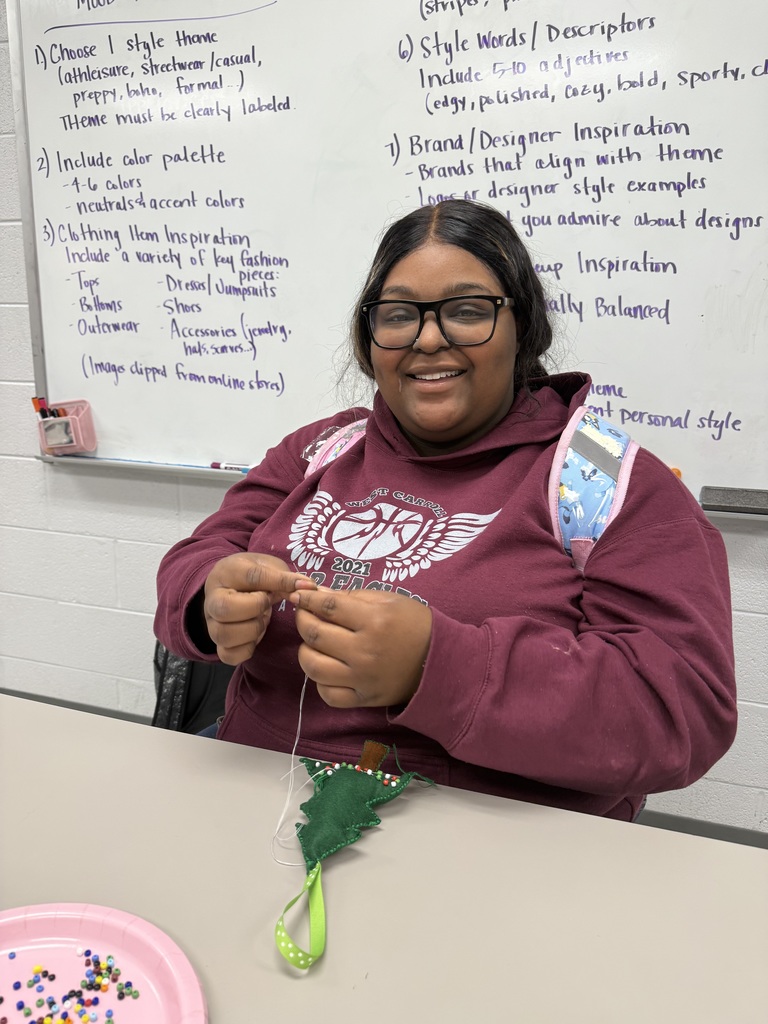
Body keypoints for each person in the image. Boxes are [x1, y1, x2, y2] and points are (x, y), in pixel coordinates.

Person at [154, 199, 736, 821]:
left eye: (466, 311)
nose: (429, 339)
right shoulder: (320, 450)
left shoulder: (605, 483)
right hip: (257, 811)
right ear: (368, 337)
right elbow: (196, 559)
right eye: (399, 315)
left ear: (523, 328)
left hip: (497, 856)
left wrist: (437, 667)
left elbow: (680, 712)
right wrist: (206, 597)